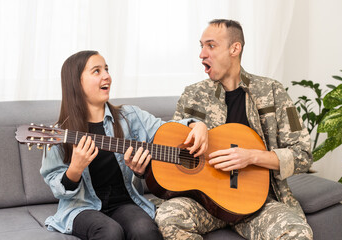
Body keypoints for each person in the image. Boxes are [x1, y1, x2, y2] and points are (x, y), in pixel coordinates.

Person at [155, 19, 314, 240]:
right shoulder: (192, 96)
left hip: (258, 205)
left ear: (234, 49)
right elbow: (173, 153)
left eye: (210, 45)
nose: (202, 54)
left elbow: (303, 156)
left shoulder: (272, 91)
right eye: (201, 46)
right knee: (169, 216)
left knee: (297, 233)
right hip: (205, 205)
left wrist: (251, 157)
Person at [40, 50, 208, 240]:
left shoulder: (130, 116)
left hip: (124, 203)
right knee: (110, 232)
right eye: (96, 71)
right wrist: (75, 169)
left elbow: (166, 130)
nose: (107, 76)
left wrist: (196, 125)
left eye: (107, 69)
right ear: (76, 82)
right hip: (81, 208)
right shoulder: (59, 134)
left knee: (145, 231)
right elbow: (55, 184)